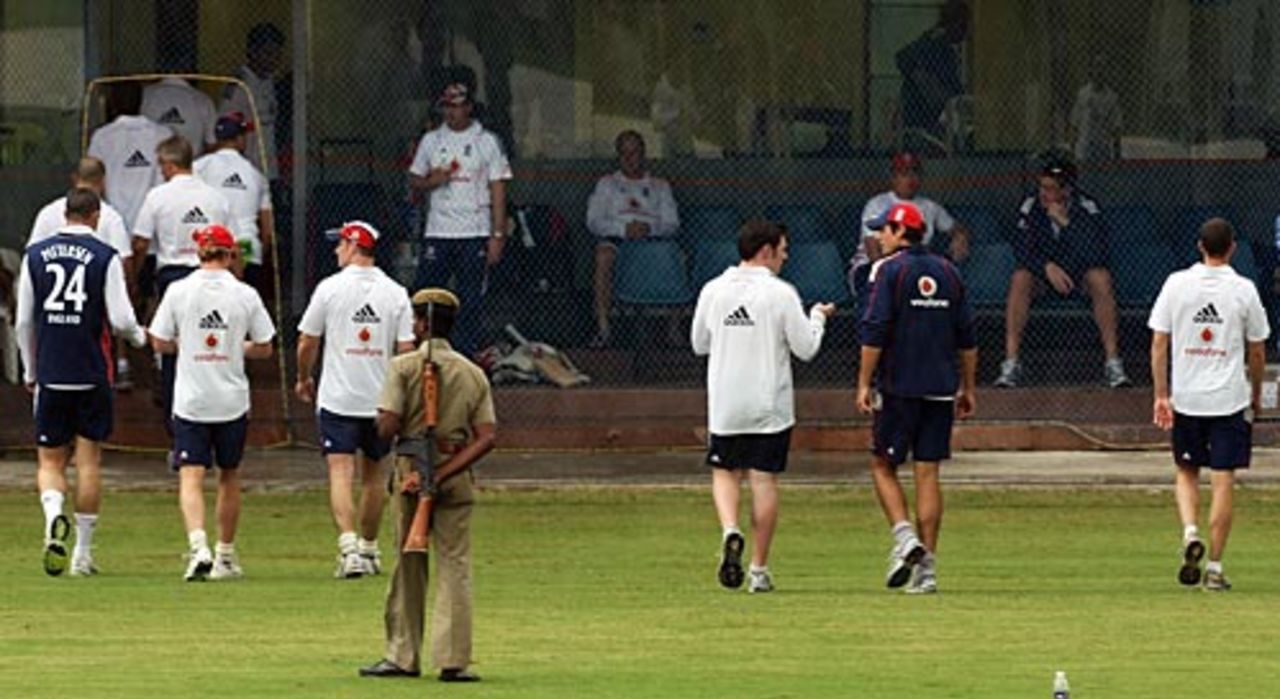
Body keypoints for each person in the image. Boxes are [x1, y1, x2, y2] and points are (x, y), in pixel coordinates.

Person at [690, 220, 835, 593]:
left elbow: (699, 344)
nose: (786, 258)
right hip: (769, 406)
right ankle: (758, 569)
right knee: (763, 480)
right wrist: (818, 317)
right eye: (783, 250)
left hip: (725, 404)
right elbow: (807, 348)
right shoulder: (782, 293)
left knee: (725, 472)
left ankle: (730, 530)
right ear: (766, 251)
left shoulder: (712, 290)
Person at [359, 288, 496, 681]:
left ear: (419, 324)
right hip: (455, 471)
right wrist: (447, 471)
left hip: (411, 471)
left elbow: (386, 426)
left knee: (409, 564)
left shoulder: (402, 367)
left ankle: (403, 655)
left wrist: (423, 469)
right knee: (455, 565)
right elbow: (486, 436)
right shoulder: (472, 372)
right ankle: (453, 660)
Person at [14, 188, 147, 576]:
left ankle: (53, 514)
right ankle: (83, 555)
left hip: (52, 372)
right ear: (95, 216)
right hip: (92, 371)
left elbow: (24, 321)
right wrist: (141, 338)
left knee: (50, 460)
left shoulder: (34, 256)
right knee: (89, 462)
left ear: (64, 215)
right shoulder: (104, 257)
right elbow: (121, 320)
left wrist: (30, 371)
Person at [856, 202, 977, 594]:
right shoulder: (949, 271)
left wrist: (863, 382)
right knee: (928, 472)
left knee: (881, 464)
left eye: (883, 230)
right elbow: (968, 338)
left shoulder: (888, 270)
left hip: (898, 387)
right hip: (940, 387)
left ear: (898, 231)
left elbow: (875, 329)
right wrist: (968, 387)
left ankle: (906, 537)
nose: (878, 236)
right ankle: (928, 572)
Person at [147, 224, 275, 582]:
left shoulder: (179, 290)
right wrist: (239, 348)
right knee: (229, 475)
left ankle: (198, 543)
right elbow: (265, 345)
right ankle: (225, 554)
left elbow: (157, 340)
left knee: (191, 475)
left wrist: (187, 346)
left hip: (191, 399)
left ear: (197, 252)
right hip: (231, 399)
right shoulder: (245, 294)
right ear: (230, 254)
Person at [1148, 218, 1268, 592]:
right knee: (1223, 482)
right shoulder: (1244, 290)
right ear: (1232, 248)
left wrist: (1161, 393)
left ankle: (1189, 532)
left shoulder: (1176, 284)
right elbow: (1258, 349)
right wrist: (1256, 392)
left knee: (1186, 471)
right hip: (1228, 398)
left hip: (1188, 398)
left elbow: (1159, 343)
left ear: (1200, 246)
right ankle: (1214, 567)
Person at [296, 221, 415, 578]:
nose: (335, 251)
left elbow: (307, 341)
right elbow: (407, 349)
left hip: (338, 398)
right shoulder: (395, 293)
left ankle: (349, 547)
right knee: (376, 476)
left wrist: (303, 377)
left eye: (339, 244)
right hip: (380, 400)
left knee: (340, 473)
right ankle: (368, 547)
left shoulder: (329, 289)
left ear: (351, 245)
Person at [994, 151, 1129, 388]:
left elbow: (1096, 253)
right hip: (1044, 276)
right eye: (1042, 187)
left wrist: (1066, 224)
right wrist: (1046, 267)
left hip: (1079, 275)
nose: (1045, 194)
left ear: (1066, 190)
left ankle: (1113, 363)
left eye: (1051, 189)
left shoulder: (1087, 206)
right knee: (1020, 278)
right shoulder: (1031, 206)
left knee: (1101, 278)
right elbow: (1022, 250)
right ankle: (1011, 363)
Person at [132, 135, 233, 433]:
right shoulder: (216, 198)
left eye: (162, 165)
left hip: (173, 276)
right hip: (213, 272)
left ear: (170, 164)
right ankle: (215, 416)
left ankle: (176, 424)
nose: (161, 171)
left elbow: (140, 242)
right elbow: (232, 243)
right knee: (212, 343)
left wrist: (136, 278)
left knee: (171, 348)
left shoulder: (158, 196)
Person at [408, 81, 512, 356]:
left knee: (470, 298)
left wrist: (497, 235)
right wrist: (434, 180)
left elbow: (498, 189)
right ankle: (424, 350)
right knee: (426, 293)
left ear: (468, 107)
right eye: (447, 107)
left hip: (474, 231)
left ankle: (465, 354)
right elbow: (415, 179)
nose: (451, 112)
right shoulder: (432, 140)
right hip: (438, 231)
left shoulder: (486, 141)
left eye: (457, 106)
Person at [28, 158, 137, 389]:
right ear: (103, 181)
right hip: (92, 303)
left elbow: (30, 260)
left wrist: (30, 371)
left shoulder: (48, 212)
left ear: (74, 178)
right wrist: (128, 292)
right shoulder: (110, 216)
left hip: (51, 309)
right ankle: (123, 363)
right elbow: (125, 260)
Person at [585, 130, 680, 347]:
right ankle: (604, 329)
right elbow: (594, 221)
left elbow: (672, 223)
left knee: (677, 257)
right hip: (618, 241)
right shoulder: (606, 184)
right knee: (603, 256)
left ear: (643, 154)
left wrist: (649, 228)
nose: (629, 158)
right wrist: (623, 229)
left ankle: (674, 331)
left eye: (634, 152)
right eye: (624, 153)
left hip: (652, 243)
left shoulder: (659, 186)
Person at [849, 151, 970, 300]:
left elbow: (956, 228)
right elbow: (873, 249)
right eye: (904, 173)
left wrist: (960, 237)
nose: (911, 179)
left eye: (915, 173)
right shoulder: (877, 204)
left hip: (916, 267)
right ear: (893, 178)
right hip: (872, 266)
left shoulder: (929, 206)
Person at [194, 112, 274, 292]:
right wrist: (261, 251)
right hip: (247, 249)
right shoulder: (256, 175)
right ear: (240, 139)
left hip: (210, 251)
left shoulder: (199, 167)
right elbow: (267, 228)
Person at [87, 83, 173, 232]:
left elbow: (92, 180)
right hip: (152, 227)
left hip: (114, 226)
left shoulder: (103, 136)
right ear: (141, 101)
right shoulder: (163, 134)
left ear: (112, 103)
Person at [896, 0, 968, 137]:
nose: (966, 32)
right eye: (964, 26)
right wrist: (922, 79)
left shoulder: (940, 45)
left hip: (931, 110)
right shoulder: (934, 44)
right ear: (957, 24)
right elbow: (902, 58)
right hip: (923, 112)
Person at [221, 23, 284, 181]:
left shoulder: (268, 82)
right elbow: (226, 130)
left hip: (269, 170)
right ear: (253, 52)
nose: (274, 60)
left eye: (277, 54)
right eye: (268, 53)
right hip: (247, 171)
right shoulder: (240, 86)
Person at [141, 76, 217, 157]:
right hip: (191, 165)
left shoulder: (145, 94)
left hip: (147, 165)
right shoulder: (203, 100)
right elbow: (212, 145)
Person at [1069, 56, 1123, 163]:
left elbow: (1116, 126)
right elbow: (1074, 123)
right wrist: (1072, 150)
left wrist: (1117, 152)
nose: (1099, 71)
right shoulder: (1083, 94)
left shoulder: (1111, 97)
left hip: (1103, 149)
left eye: (1103, 68)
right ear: (1091, 70)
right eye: (1096, 67)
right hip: (1084, 150)